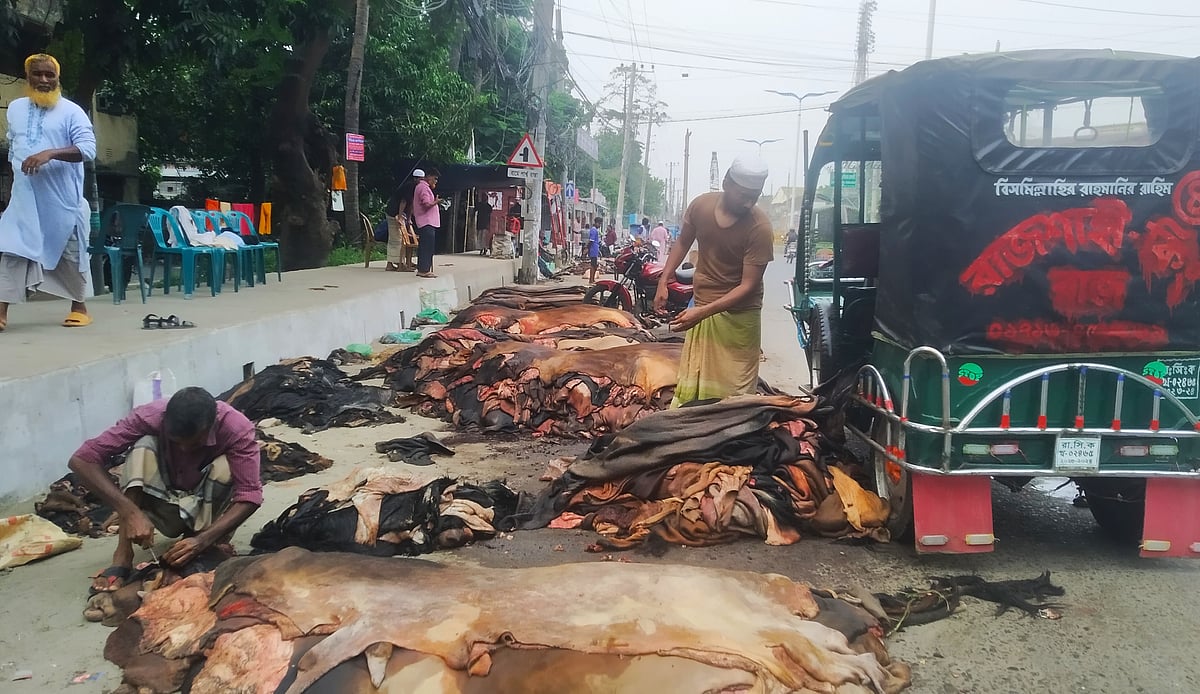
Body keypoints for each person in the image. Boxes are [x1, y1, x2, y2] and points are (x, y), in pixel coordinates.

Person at [67, 387, 262, 596]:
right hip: (161, 503)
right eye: (176, 441)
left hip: (205, 511)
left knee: (227, 466)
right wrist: (129, 511)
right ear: (165, 420)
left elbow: (250, 494)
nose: (185, 449)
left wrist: (202, 540)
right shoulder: (150, 415)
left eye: (195, 442)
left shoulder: (236, 428)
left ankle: (197, 542)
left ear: (212, 424)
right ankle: (123, 555)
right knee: (143, 446)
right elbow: (82, 460)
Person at [654, 156, 773, 407]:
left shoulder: (759, 227)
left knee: (736, 389)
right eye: (743, 194)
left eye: (755, 195)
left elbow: (748, 285)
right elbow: (683, 242)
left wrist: (701, 312)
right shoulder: (700, 206)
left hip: (740, 315)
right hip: (704, 301)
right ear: (726, 183)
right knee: (697, 379)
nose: (749, 202)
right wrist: (664, 280)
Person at [0, 54, 97, 332]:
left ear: (57, 78)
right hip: (25, 199)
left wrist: (50, 153)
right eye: (37, 74)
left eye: (49, 75)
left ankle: (79, 308)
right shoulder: (16, 108)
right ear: (28, 76)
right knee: (13, 250)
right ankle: (1, 311)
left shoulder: (72, 111)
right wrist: (9, 193)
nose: (43, 80)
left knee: (71, 254)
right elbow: (14, 151)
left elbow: (88, 150)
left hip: (62, 201)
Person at [411, 168, 441, 278]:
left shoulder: (422, 187)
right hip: (427, 221)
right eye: (435, 178)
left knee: (425, 245)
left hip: (426, 221)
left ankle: (423, 269)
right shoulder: (424, 188)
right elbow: (426, 204)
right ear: (429, 177)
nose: (436, 181)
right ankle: (424, 270)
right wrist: (436, 202)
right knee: (427, 246)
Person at [385, 180, 417, 271]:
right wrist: (399, 217)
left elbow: (410, 205)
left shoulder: (415, 189)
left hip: (400, 214)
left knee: (399, 238)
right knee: (396, 238)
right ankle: (397, 264)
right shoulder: (411, 187)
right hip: (393, 213)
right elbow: (403, 202)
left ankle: (397, 263)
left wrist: (409, 219)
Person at [586, 216, 602, 284]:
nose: (600, 225)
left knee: (595, 265)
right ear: (597, 223)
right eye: (600, 224)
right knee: (593, 265)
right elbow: (591, 241)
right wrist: (587, 248)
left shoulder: (595, 230)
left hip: (595, 249)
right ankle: (591, 279)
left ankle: (592, 279)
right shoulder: (593, 230)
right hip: (593, 249)